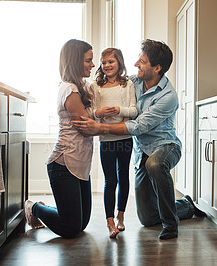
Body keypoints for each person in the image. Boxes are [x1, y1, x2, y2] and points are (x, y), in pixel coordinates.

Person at [72, 39, 206, 240]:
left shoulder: (168, 96)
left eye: (142, 61)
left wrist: (100, 127)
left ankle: (171, 225)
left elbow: (138, 126)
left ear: (157, 67)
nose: (136, 64)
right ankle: (186, 206)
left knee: (155, 164)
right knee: (147, 217)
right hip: (142, 149)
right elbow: (113, 87)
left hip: (166, 145)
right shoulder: (133, 83)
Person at [24, 39, 95, 238]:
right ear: (75, 61)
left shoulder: (83, 86)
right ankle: (34, 207)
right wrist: (114, 128)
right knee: (70, 228)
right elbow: (86, 129)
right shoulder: (69, 89)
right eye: (89, 60)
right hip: (63, 164)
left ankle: (50, 210)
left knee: (81, 224)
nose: (93, 64)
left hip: (80, 164)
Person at [91, 48, 137, 238]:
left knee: (123, 177)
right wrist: (100, 113)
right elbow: (93, 112)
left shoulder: (127, 84)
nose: (107, 65)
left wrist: (119, 110)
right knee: (110, 180)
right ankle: (110, 222)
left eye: (111, 61)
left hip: (125, 139)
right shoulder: (96, 86)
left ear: (119, 62)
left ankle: (120, 217)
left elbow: (134, 111)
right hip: (106, 140)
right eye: (104, 62)